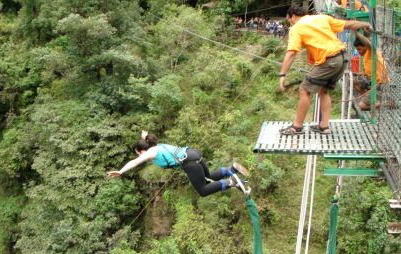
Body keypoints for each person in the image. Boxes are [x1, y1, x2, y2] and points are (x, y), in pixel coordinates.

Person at [278, 6, 372, 135]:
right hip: (343, 58)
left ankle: (296, 127)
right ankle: (324, 126)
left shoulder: (296, 27)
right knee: (323, 90)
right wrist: (365, 24)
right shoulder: (322, 18)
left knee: (304, 90)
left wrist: (282, 74)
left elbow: (291, 53)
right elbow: (348, 24)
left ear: (292, 16)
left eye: (289, 20)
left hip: (330, 60)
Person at [107, 131, 250, 197]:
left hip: (189, 162)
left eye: (138, 153)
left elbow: (135, 161)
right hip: (194, 154)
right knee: (209, 176)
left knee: (203, 190)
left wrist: (121, 171)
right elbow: (147, 138)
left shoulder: (151, 152)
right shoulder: (156, 145)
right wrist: (144, 135)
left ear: (142, 151)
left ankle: (231, 181)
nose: (139, 156)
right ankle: (231, 169)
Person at [351, 30, 389, 110]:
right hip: (371, 81)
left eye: (359, 49)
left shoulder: (371, 50)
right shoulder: (365, 54)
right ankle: (369, 98)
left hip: (380, 84)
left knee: (362, 106)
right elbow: (369, 70)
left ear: (365, 46)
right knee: (354, 81)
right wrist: (360, 73)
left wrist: (355, 31)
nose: (358, 52)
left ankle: (385, 103)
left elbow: (368, 41)